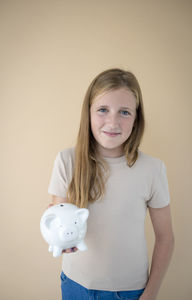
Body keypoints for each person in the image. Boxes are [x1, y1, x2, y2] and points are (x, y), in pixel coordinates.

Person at [47, 68, 175, 300]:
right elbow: (57, 215)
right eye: (103, 110)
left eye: (124, 112)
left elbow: (165, 237)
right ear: (88, 113)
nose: (113, 122)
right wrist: (58, 236)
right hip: (74, 285)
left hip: (129, 292)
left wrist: (151, 293)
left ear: (136, 120)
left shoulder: (153, 169)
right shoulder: (67, 160)